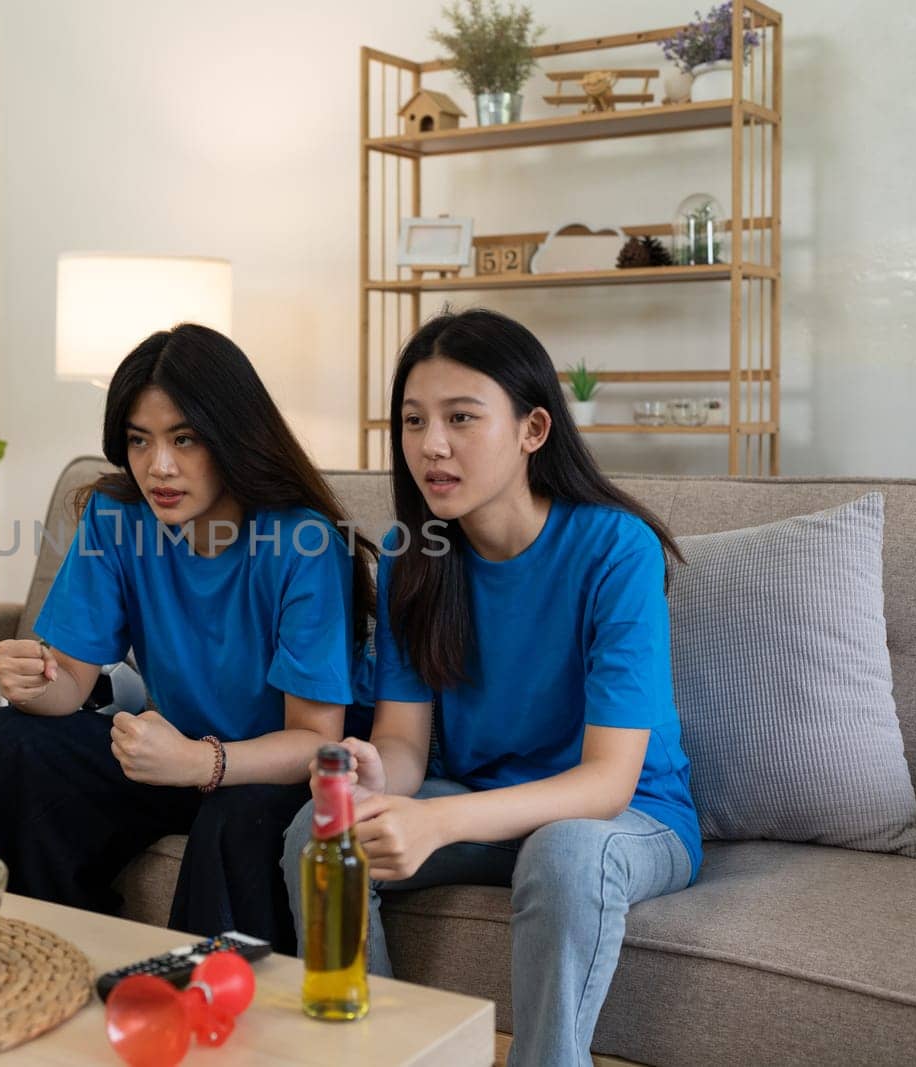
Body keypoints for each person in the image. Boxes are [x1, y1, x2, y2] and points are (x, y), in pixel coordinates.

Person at [282, 308, 701, 1064]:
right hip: (490, 807)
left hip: (630, 819)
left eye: (461, 418)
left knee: (564, 854)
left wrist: (439, 823)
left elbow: (608, 782)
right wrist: (384, 779)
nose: (431, 445)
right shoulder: (418, 559)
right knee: (319, 834)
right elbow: (404, 743)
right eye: (413, 421)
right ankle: (381, 1053)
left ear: (534, 429)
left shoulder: (616, 549)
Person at [0, 322, 376, 954]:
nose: (159, 467)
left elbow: (317, 739)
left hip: (276, 766)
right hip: (172, 757)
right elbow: (69, 685)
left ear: (232, 436)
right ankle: (13, 959)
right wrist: (30, 681)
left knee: (238, 819)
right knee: (8, 741)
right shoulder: (116, 517)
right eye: (139, 442)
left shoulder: (302, 542)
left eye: (184, 439)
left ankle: (203, 1018)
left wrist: (202, 762)